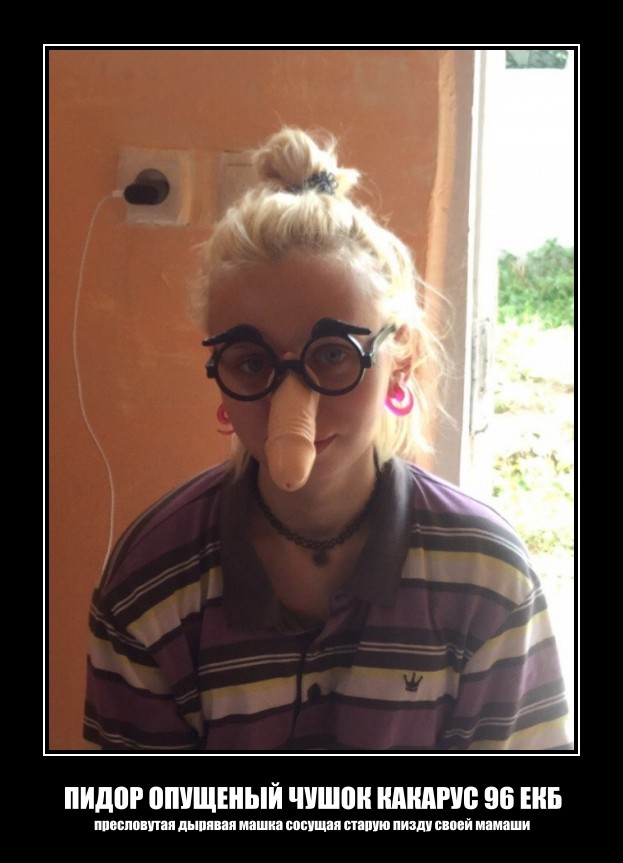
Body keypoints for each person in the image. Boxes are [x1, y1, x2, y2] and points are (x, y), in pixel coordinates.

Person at [84, 128, 572, 751]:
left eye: (334, 354)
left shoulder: (488, 581)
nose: (297, 403)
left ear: (400, 361)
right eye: (251, 362)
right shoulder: (150, 584)